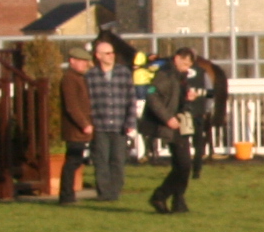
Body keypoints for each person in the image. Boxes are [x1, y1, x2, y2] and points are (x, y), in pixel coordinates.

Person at [144, 48, 202, 214]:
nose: (186, 67)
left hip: (179, 123)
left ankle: (178, 201)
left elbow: (177, 98)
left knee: (181, 166)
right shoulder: (165, 74)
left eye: (189, 64)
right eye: (184, 63)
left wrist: (188, 98)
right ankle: (160, 196)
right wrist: (167, 118)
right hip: (170, 124)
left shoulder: (179, 75)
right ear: (176, 58)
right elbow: (152, 95)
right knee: (183, 165)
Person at [85, 37, 135, 201]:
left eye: (112, 53)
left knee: (118, 160)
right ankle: (104, 193)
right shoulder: (91, 76)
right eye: (107, 53)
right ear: (98, 55)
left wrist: (130, 122)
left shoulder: (123, 73)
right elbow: (87, 102)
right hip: (99, 125)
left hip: (120, 125)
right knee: (101, 161)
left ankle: (114, 192)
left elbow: (131, 99)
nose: (111, 55)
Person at [56, 49, 95, 204]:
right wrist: (84, 124)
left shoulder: (78, 78)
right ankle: (66, 195)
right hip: (75, 129)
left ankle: (68, 195)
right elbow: (71, 106)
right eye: (81, 61)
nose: (85, 64)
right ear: (72, 61)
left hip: (79, 128)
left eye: (85, 61)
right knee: (72, 161)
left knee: (75, 161)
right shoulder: (69, 79)